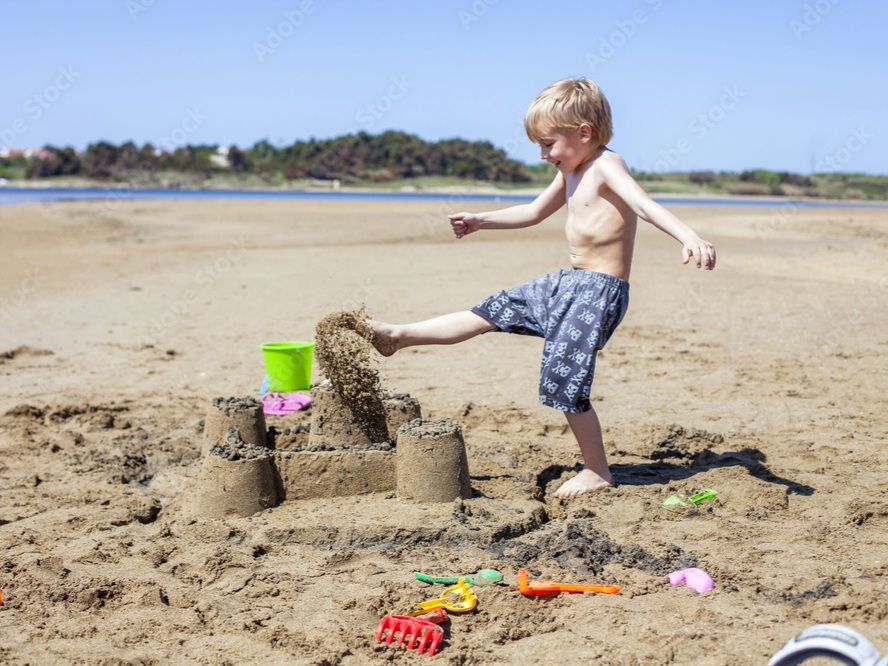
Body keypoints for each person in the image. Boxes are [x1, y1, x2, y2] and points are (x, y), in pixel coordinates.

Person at [361, 77, 716, 499]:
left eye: (548, 144)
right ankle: (399, 337)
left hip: (596, 294)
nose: (544, 155)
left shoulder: (606, 165)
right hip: (566, 284)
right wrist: (481, 220)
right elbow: (533, 211)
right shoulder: (572, 170)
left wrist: (688, 235)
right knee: (488, 312)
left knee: (566, 383)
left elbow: (643, 203)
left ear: (583, 133)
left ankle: (598, 470)